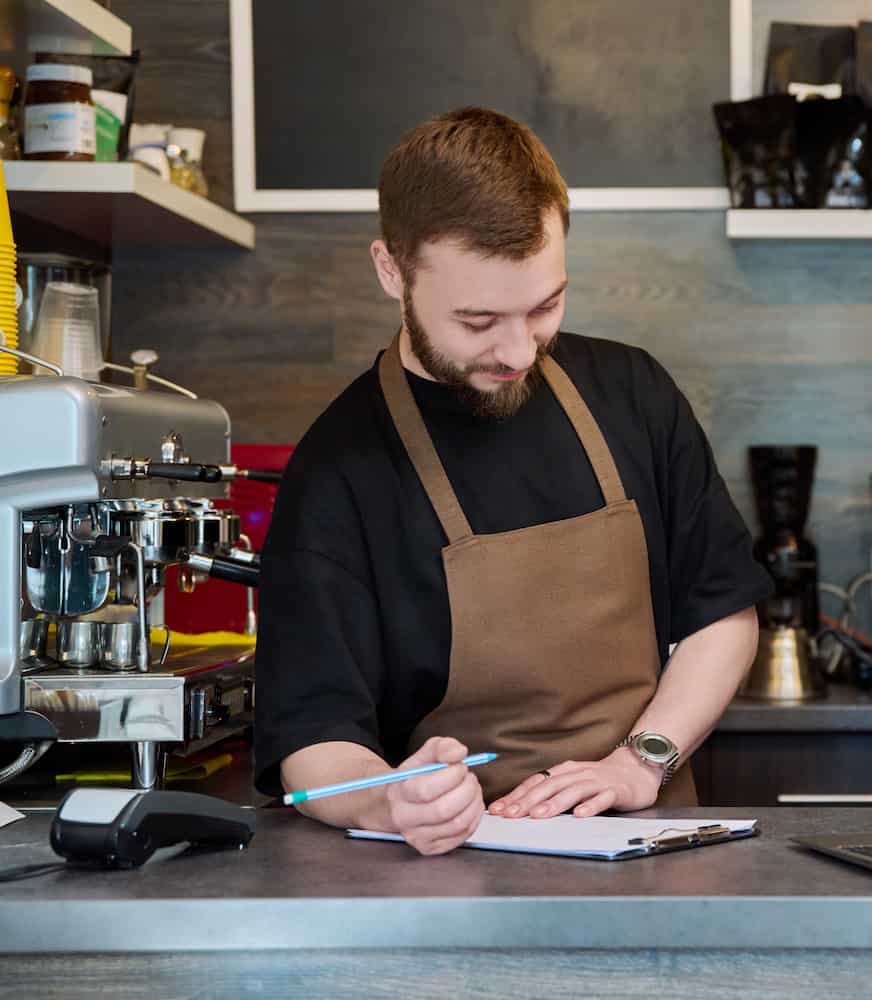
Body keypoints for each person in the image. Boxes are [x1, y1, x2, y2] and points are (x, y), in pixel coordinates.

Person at [253, 107, 770, 854]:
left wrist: (641, 761)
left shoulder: (633, 392)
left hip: (652, 848)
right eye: (478, 320)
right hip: (450, 876)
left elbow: (722, 614)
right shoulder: (338, 471)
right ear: (391, 269)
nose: (520, 350)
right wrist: (389, 802)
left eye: (546, 307)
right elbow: (312, 739)